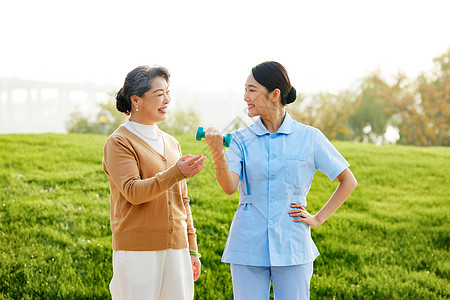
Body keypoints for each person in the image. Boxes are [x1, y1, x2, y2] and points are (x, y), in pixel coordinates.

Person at [204, 61, 357, 300]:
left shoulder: (310, 137)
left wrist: (318, 218)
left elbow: (348, 180)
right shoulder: (240, 139)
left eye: (252, 90)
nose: (246, 97)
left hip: (293, 244)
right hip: (247, 244)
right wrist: (217, 153)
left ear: (275, 94)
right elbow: (229, 187)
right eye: (245, 89)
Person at [102, 65, 205, 300]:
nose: (167, 100)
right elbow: (133, 192)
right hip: (138, 250)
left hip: (177, 248)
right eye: (159, 94)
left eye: (168, 92)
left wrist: (191, 248)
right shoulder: (119, 142)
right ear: (136, 100)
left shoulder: (171, 142)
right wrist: (175, 173)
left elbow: (182, 200)